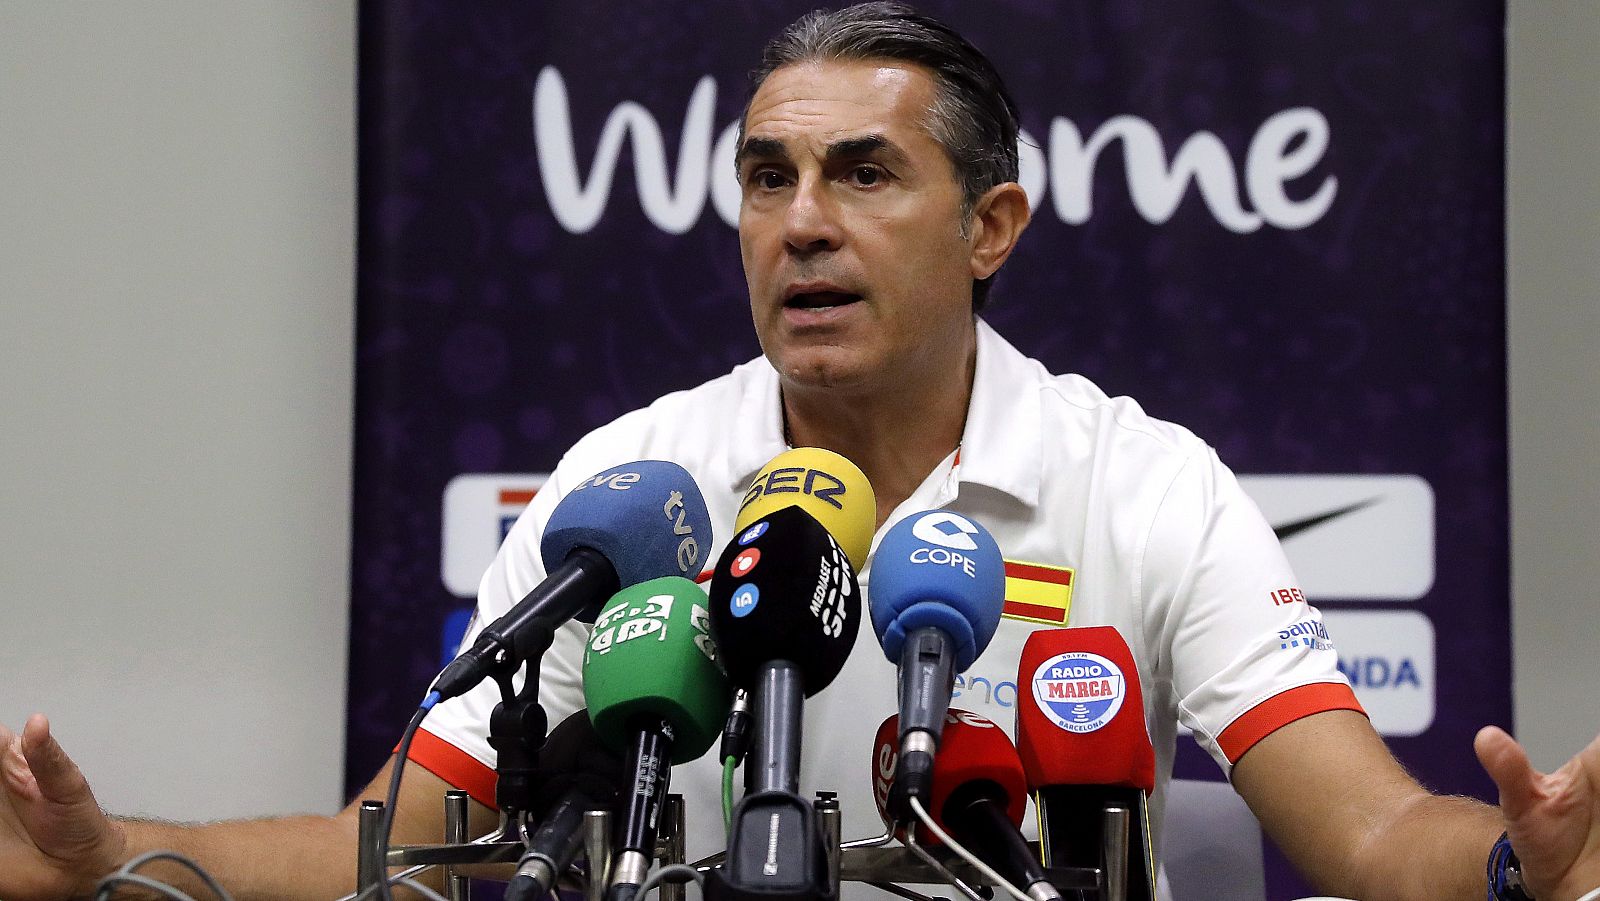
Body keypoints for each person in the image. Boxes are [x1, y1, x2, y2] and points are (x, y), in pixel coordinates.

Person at [3, 4, 1598, 900]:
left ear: (990, 228)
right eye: (767, 177)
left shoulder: (1143, 480)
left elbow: (1374, 836)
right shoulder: (626, 486)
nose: (802, 222)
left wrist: (1530, 872)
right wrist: (113, 851)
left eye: (861, 174)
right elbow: (401, 840)